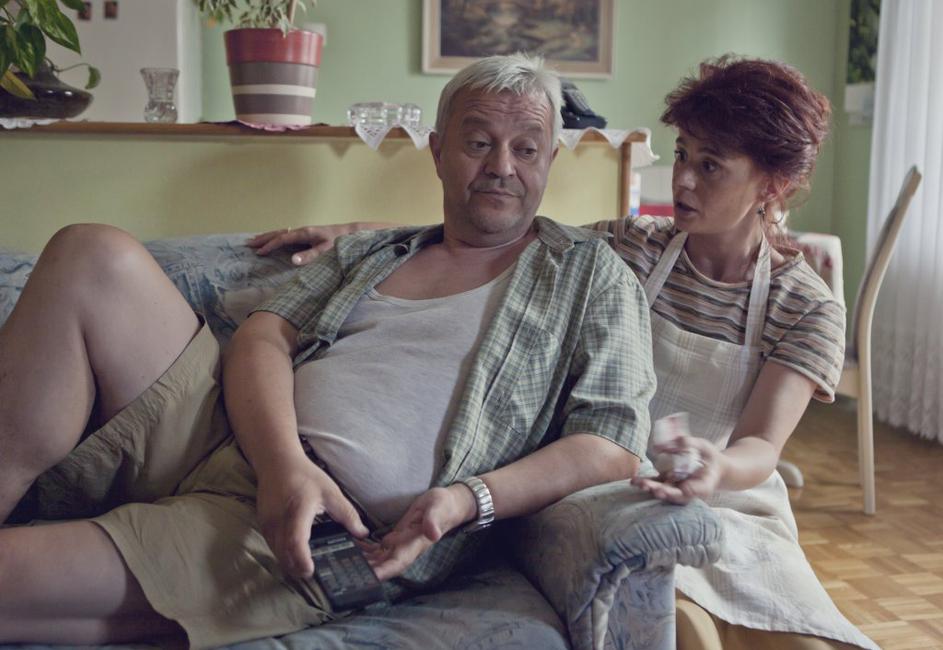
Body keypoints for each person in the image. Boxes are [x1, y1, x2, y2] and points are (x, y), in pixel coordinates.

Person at [0, 53, 656, 647]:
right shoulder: (374, 251)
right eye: (478, 143)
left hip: (321, 526)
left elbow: (612, 439)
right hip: (229, 433)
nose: (501, 167)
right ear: (436, 151)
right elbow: (262, 336)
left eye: (526, 148)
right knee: (91, 252)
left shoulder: (588, 273)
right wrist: (281, 462)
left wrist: (468, 499)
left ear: (549, 159)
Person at [250, 56, 878, 650]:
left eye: (710, 166)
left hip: (728, 493)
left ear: (773, 183)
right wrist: (353, 235)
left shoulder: (807, 308)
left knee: (796, 634)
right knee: (682, 619)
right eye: (683, 153)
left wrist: (715, 466)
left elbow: (761, 446)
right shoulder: (633, 248)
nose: (682, 179)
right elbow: (495, 222)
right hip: (607, 485)